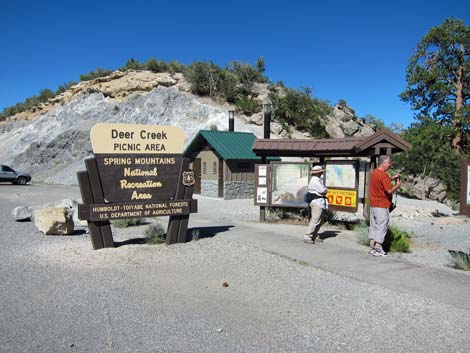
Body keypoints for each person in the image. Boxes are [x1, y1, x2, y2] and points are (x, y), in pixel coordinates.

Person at [368, 155, 401, 256]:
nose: (390, 165)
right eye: (389, 163)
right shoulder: (383, 175)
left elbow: (382, 183)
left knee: (374, 225)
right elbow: (389, 190)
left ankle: (373, 247)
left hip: (373, 204)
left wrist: (392, 178)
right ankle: (378, 247)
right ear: (384, 163)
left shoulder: (374, 173)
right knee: (382, 226)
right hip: (382, 205)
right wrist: (398, 185)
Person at [304, 165, 328, 244]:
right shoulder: (315, 180)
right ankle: (308, 236)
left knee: (319, 220)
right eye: (321, 172)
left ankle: (314, 235)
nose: (321, 173)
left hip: (318, 201)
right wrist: (325, 189)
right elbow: (322, 190)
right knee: (315, 219)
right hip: (317, 201)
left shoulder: (316, 180)